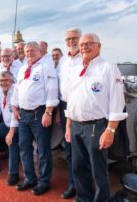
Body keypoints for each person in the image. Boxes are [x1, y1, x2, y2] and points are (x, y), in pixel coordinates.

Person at [64, 33, 127, 202]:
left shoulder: (108, 67)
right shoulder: (76, 69)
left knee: (98, 170)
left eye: (89, 43)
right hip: (76, 125)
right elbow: (71, 100)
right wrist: (68, 126)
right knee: (78, 168)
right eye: (82, 44)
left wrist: (110, 130)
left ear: (99, 46)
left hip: (95, 127)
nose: (84, 47)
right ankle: (84, 198)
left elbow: (117, 102)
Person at [11, 41, 59, 195]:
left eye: (32, 50)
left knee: (42, 150)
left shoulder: (46, 66)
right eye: (27, 51)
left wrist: (49, 112)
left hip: (40, 113)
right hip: (23, 114)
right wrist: (15, 107)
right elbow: (17, 90)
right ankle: (30, 178)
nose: (29, 53)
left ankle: (44, 181)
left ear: (39, 51)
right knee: (24, 147)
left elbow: (52, 90)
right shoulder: (23, 68)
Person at [56, 28, 83, 199]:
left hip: (81, 106)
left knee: (83, 149)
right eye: (68, 39)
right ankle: (73, 185)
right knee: (70, 149)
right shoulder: (63, 61)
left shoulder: (85, 58)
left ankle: (84, 187)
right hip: (64, 105)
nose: (71, 42)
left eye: (74, 38)